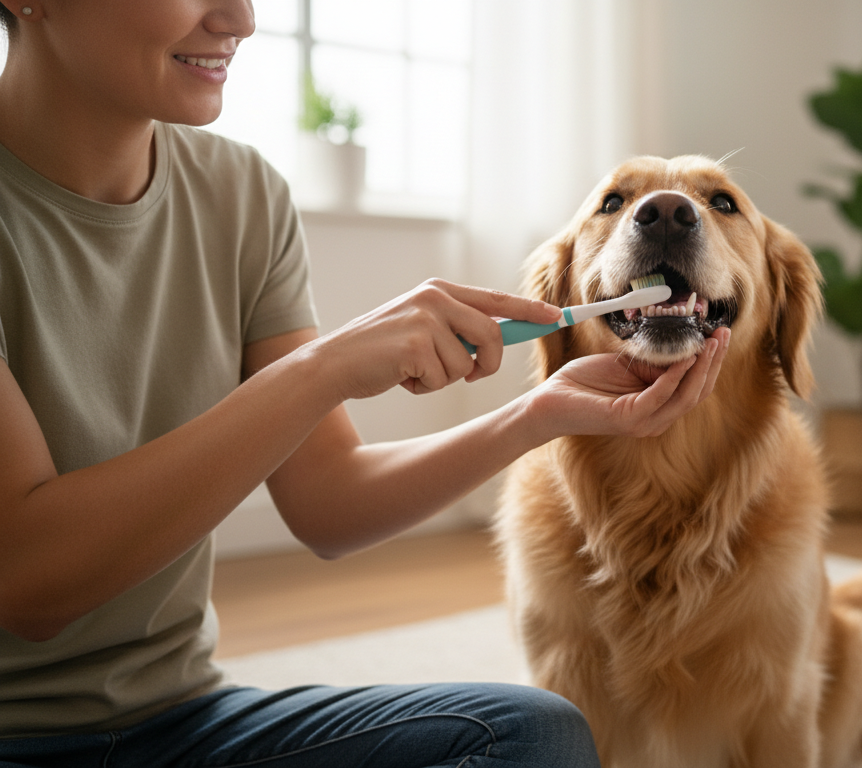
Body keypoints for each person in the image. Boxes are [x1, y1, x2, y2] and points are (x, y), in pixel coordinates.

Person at [0, 1, 729, 765]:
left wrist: (537, 414)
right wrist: (327, 367)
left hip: (185, 724)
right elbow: (32, 586)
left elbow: (329, 504)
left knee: (529, 734)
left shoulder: (240, 194)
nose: (239, 18)